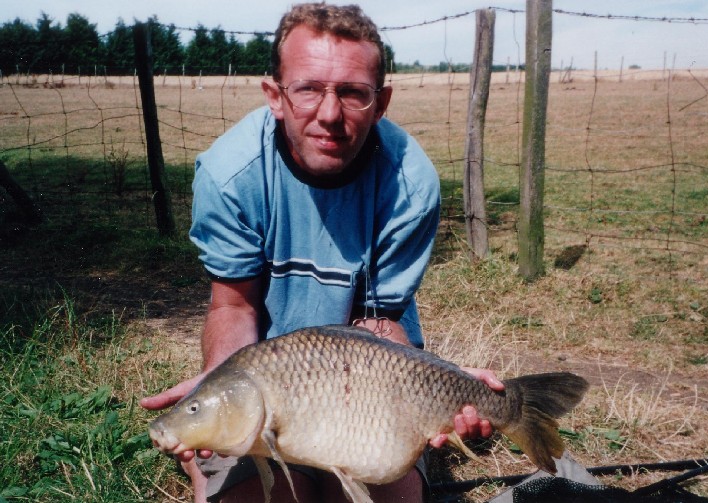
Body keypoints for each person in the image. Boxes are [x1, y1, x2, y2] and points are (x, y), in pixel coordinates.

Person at [140, 3, 504, 502]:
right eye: (308, 89)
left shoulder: (410, 183)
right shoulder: (229, 176)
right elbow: (234, 305)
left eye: (353, 93)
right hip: (262, 378)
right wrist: (218, 390)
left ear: (381, 102)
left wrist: (450, 385)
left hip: (366, 384)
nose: (329, 114)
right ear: (275, 95)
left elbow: (378, 324)